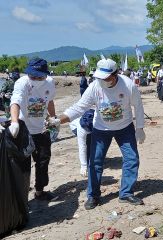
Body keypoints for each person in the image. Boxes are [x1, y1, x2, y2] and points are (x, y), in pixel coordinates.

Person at [58, 58, 146, 209]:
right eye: (99, 77)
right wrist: (58, 120)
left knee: (132, 159)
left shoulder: (128, 85)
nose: (102, 80)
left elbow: (138, 106)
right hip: (100, 128)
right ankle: (93, 196)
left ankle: (126, 193)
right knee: (96, 162)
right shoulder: (94, 87)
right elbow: (79, 107)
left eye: (105, 78)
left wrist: (139, 128)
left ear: (115, 74)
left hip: (125, 128)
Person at [9, 57, 58, 201]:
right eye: (32, 76)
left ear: (46, 74)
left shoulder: (50, 83)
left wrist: (53, 118)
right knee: (22, 164)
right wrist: (14, 122)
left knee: (43, 161)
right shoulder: (22, 83)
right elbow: (15, 101)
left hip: (42, 129)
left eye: (39, 76)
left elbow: (50, 101)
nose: (36, 78)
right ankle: (21, 195)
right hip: (23, 130)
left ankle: (39, 191)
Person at [69, 109, 94, 177]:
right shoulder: (81, 128)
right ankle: (87, 166)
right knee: (86, 145)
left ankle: (91, 163)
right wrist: (83, 166)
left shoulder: (97, 119)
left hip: (93, 125)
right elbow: (82, 147)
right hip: (75, 126)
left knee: (92, 144)